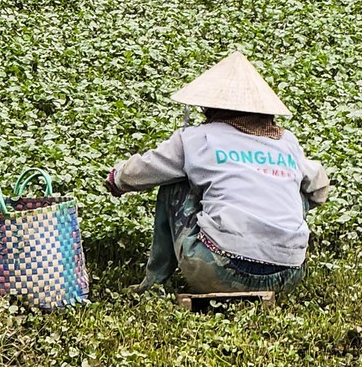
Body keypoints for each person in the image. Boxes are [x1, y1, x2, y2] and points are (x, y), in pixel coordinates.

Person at [104, 51, 330, 294]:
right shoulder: (286, 141)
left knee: (173, 182)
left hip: (219, 271)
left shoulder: (196, 138)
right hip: (287, 275)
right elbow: (319, 189)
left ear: (210, 106)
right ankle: (279, 250)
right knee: (297, 191)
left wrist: (117, 180)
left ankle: (154, 281)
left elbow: (143, 170)